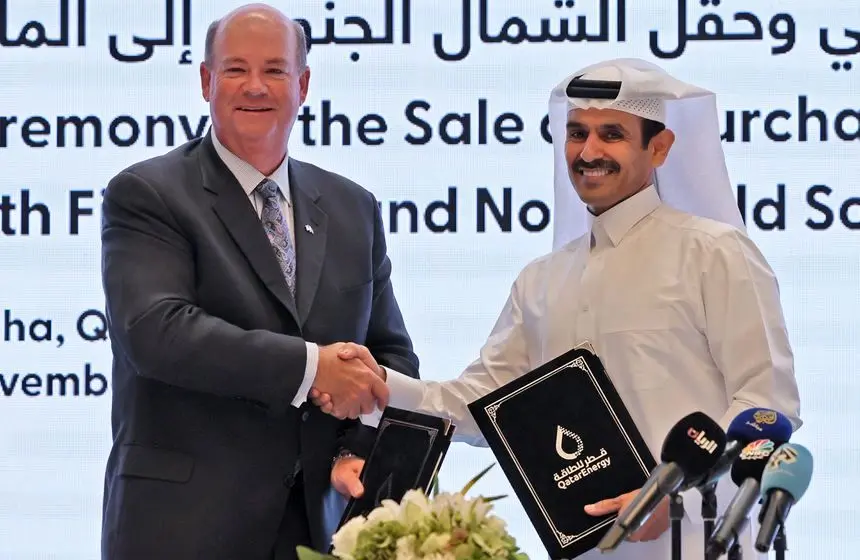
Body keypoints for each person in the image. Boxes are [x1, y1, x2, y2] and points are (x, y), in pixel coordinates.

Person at [318, 58, 802, 559]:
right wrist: (379, 385)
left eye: (611, 134)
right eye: (576, 133)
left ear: (659, 147)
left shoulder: (715, 253)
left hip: (701, 541)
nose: (588, 152)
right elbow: (482, 404)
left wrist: (673, 496)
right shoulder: (541, 280)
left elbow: (767, 405)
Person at [98, 4, 419, 559]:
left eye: (274, 70)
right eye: (235, 69)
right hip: (182, 530)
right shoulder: (147, 194)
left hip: (318, 531)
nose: (255, 86)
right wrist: (312, 367)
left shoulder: (353, 207)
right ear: (206, 81)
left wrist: (356, 448)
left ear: (303, 85)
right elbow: (157, 331)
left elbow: (389, 355)